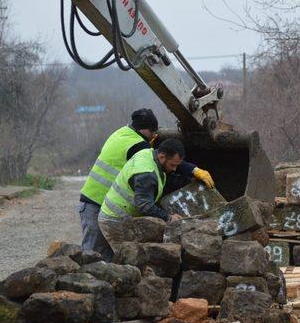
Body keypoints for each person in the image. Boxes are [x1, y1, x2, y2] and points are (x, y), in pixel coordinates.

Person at [78, 109, 214, 261]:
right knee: (93, 257)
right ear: (144, 130)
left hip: (97, 200)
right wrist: (192, 170)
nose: (155, 136)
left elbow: (164, 161)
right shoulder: (139, 148)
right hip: (99, 203)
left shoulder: (122, 133)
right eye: (153, 132)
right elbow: (161, 165)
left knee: (105, 256)